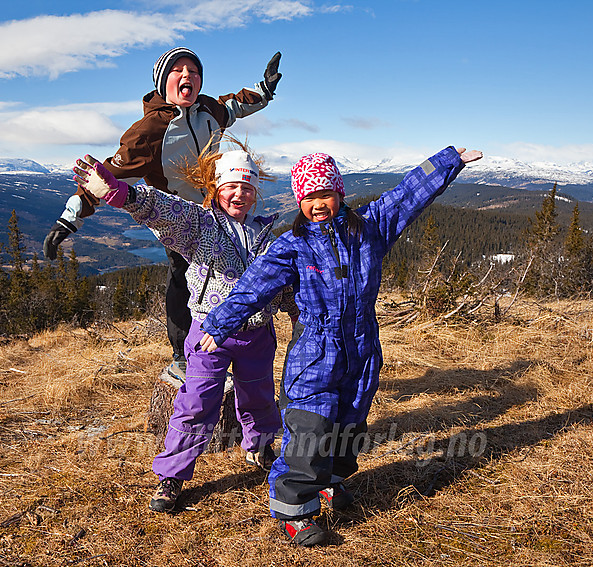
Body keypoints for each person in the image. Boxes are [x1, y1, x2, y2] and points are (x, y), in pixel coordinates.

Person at [199, 145, 483, 546]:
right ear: (300, 199)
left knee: (349, 424)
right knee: (310, 430)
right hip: (317, 350)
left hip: (362, 349)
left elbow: (406, 195)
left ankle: (329, 480)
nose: (318, 204)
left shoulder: (369, 228)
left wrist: (447, 162)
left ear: (340, 194)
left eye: (325, 195)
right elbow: (253, 285)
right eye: (309, 197)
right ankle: (294, 509)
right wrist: (220, 322)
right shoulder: (292, 246)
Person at [71, 139, 298, 513]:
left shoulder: (265, 235)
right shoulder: (201, 224)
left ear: (255, 193)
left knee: (258, 396)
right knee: (196, 403)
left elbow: (278, 282)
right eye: (231, 186)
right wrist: (121, 193)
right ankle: (172, 475)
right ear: (216, 188)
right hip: (210, 334)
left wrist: (294, 308)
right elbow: (165, 209)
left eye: (246, 187)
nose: (239, 194)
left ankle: (259, 447)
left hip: (257, 334)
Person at [44, 46, 283, 382]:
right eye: (178, 71)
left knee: (222, 275)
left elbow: (235, 105)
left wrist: (265, 89)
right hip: (175, 217)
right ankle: (182, 354)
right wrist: (71, 216)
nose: (188, 77)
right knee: (184, 277)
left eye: (194, 72)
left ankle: (222, 341)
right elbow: (110, 177)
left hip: (215, 210)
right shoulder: (149, 130)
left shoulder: (209, 110)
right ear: (162, 82)